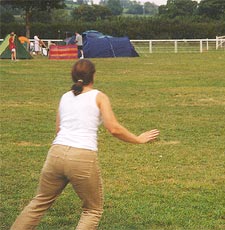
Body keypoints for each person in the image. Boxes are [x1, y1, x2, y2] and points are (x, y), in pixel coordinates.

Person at [11, 59, 160, 229]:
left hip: (56, 154)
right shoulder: (99, 97)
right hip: (82, 156)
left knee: (38, 203)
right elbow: (113, 128)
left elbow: (59, 129)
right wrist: (138, 139)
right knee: (92, 210)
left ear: (73, 76)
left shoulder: (65, 97)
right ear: (93, 76)